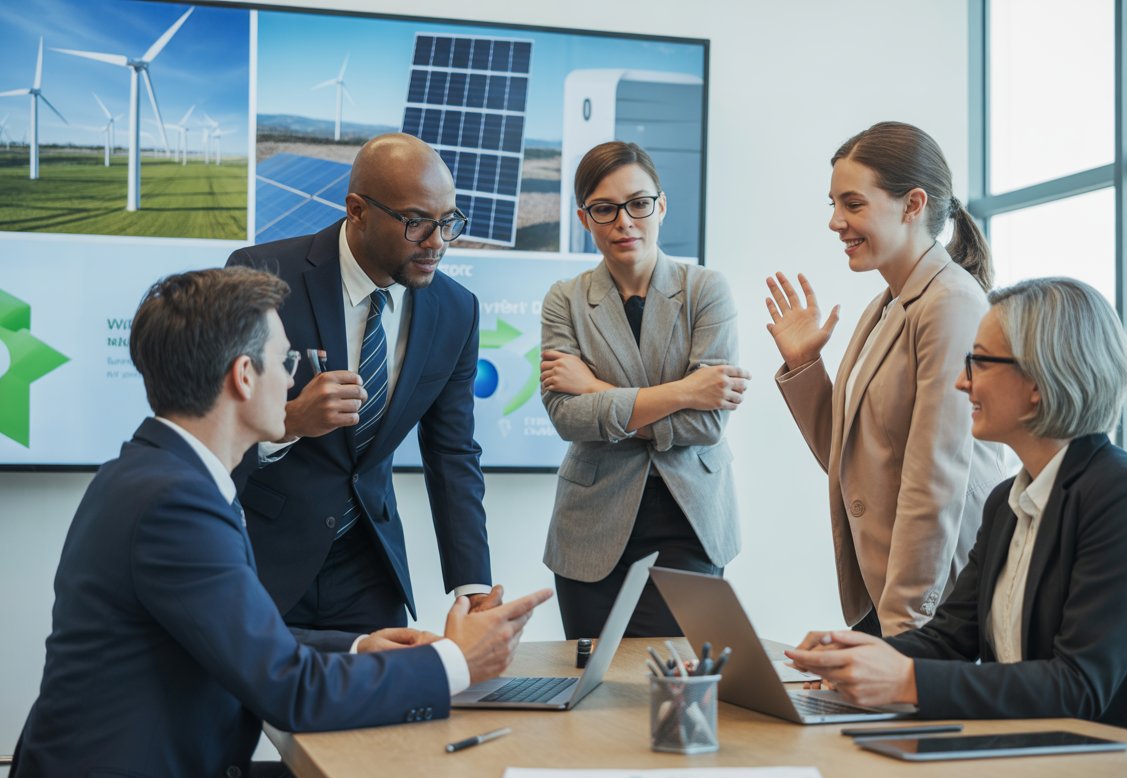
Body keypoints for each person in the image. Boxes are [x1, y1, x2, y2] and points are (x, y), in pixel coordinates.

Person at [0, 267, 551, 778]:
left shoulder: (159, 473)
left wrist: (360, 645)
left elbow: (235, 633)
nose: (293, 382)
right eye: (286, 362)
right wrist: (456, 661)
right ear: (244, 375)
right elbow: (290, 691)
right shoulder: (176, 503)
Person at [787, 278, 1127, 744]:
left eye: (979, 362)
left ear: (1038, 380)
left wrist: (906, 680)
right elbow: (949, 639)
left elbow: (1079, 685)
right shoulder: (1006, 502)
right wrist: (858, 655)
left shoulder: (1126, 497)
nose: (961, 380)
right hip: (1050, 755)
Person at [226, 133, 494, 633]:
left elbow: (453, 453)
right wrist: (289, 423)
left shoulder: (457, 310)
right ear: (357, 210)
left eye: (448, 222)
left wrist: (473, 588)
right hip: (265, 561)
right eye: (417, 223)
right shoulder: (260, 275)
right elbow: (213, 425)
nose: (437, 242)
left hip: (371, 569)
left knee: (384, 707)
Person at [765, 121, 1005, 636]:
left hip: (932, 599)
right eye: (832, 204)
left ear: (912, 204)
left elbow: (935, 479)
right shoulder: (887, 304)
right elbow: (849, 454)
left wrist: (904, 627)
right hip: (888, 585)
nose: (835, 222)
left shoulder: (951, 305)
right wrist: (806, 367)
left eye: (852, 204)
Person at [539, 141, 749, 639]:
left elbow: (707, 423)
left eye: (638, 204)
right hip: (590, 527)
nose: (624, 222)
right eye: (604, 209)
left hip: (689, 520)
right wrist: (683, 391)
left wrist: (593, 388)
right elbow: (567, 417)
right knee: (593, 697)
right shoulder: (565, 300)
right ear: (584, 218)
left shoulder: (705, 290)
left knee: (671, 687)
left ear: (661, 205)